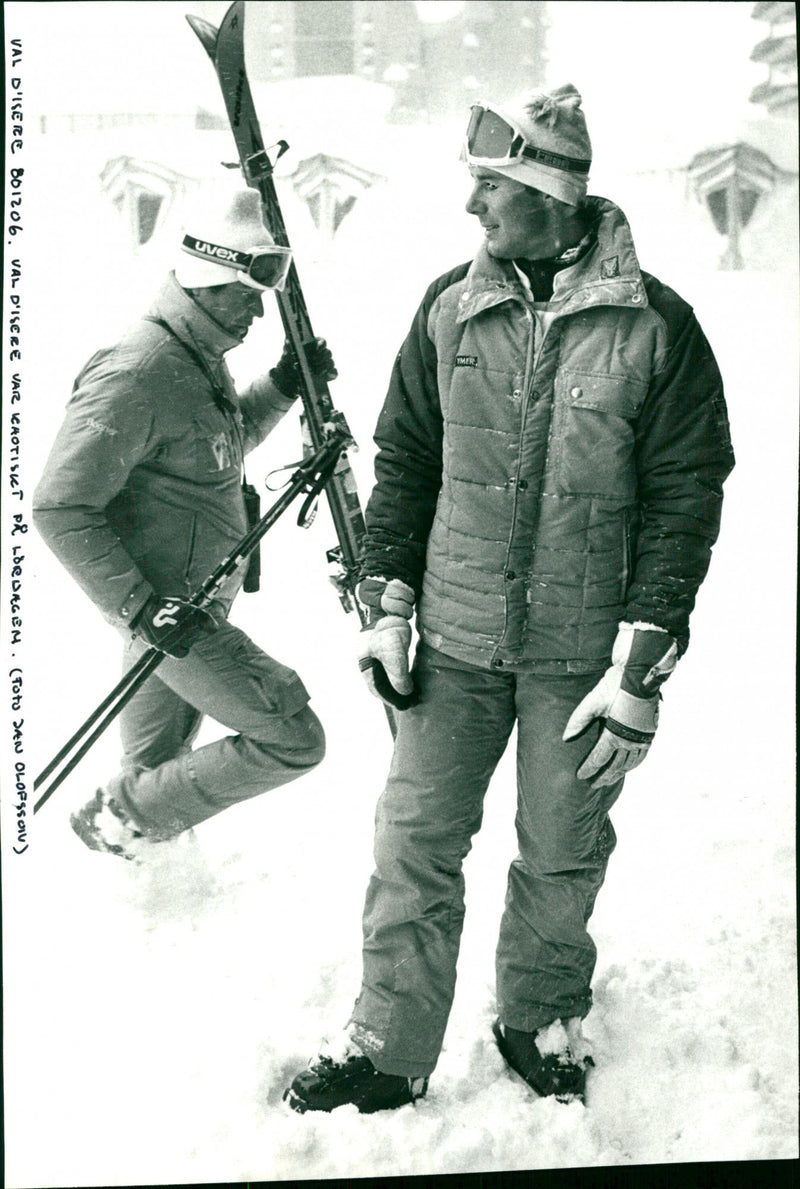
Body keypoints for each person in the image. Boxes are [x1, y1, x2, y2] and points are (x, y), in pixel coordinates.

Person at [284, 84, 735, 1113]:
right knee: (412, 841)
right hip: (449, 637)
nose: (472, 207)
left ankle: (539, 1014)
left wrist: (640, 668)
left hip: (580, 657)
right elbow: (404, 460)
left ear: (549, 192)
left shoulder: (656, 325)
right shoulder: (450, 304)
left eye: (489, 186)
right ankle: (387, 1044)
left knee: (562, 847)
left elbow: (683, 496)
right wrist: (385, 600)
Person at [33, 186, 336, 860]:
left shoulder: (197, 356)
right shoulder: (139, 370)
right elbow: (59, 506)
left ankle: (143, 891)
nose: (260, 309)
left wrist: (283, 385)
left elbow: (210, 456)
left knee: (160, 770)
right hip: (168, 618)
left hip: (184, 616)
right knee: (292, 738)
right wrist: (143, 610)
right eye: (248, 292)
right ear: (211, 278)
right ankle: (116, 817)